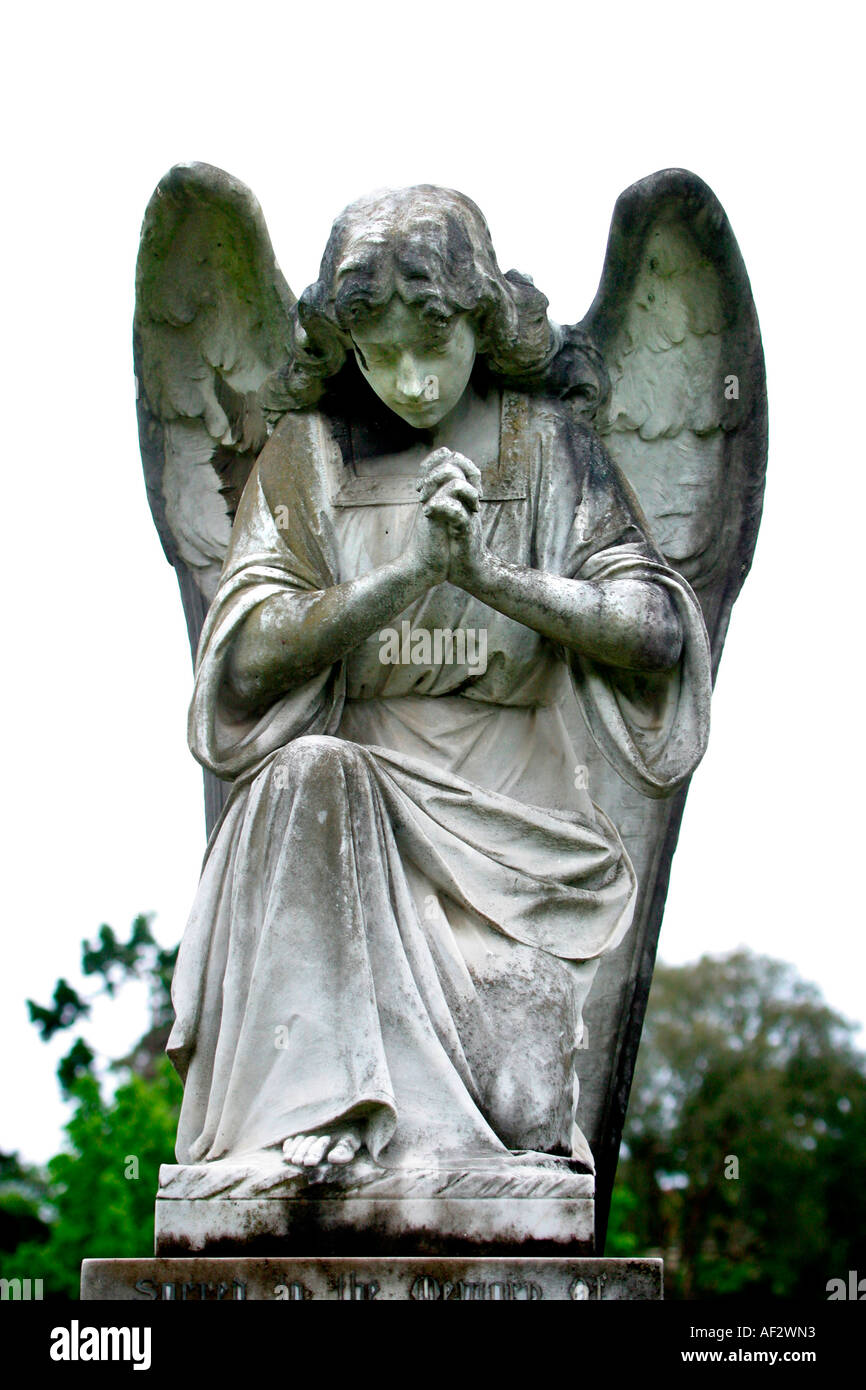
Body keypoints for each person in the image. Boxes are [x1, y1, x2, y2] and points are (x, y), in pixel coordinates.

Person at [167, 186, 711, 1177]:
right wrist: (402, 577)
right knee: (310, 772)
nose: (411, 380)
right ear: (344, 350)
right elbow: (241, 659)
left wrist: (487, 577)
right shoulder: (307, 457)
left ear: (483, 322)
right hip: (341, 842)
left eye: (434, 343)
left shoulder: (544, 448)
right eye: (379, 354)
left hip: (511, 850)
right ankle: (322, 1106)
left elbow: (656, 629)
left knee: (518, 1103)